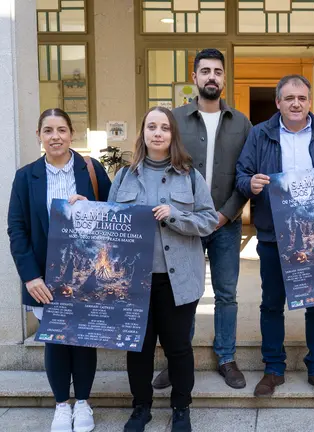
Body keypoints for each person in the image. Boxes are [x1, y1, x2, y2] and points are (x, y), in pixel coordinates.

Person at [111, 106, 218, 432]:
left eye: (164, 128)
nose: (158, 133)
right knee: (139, 348)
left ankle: (181, 407)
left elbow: (209, 220)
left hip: (178, 279)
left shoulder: (190, 176)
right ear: (143, 133)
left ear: (173, 135)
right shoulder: (124, 176)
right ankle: (141, 407)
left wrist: (174, 215)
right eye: (151, 127)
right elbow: (108, 224)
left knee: (178, 348)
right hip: (135, 280)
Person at [235, 74, 314, 398]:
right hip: (273, 234)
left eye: (302, 98)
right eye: (289, 98)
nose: (296, 103)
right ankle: (273, 369)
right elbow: (242, 173)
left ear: (310, 102)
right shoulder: (260, 134)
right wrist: (249, 184)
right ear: (278, 102)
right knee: (271, 304)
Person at [152, 48, 252, 391]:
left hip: (226, 223)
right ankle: (178, 359)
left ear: (225, 79)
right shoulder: (174, 119)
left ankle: (226, 357)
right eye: (205, 71)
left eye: (218, 72)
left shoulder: (241, 123)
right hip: (183, 225)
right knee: (184, 293)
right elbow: (160, 168)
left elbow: (247, 173)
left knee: (226, 293)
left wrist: (225, 215)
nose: (212, 77)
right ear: (194, 77)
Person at [7, 108, 112, 432]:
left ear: (72, 134)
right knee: (55, 341)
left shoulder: (92, 171)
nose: (55, 137)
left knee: (82, 340)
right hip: (44, 276)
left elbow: (114, 216)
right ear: (39, 135)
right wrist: (30, 276)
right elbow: (17, 229)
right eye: (48, 130)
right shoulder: (26, 177)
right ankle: (61, 406)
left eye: (62, 130)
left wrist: (91, 209)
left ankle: (83, 403)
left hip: (85, 274)